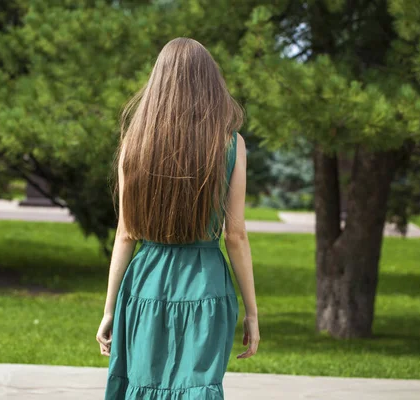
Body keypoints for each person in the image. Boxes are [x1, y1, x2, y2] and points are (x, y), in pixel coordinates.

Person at [97, 37, 259, 400]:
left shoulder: (133, 145)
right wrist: (251, 312)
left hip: (146, 284)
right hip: (205, 283)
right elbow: (235, 235)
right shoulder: (231, 145)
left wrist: (109, 310)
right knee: (196, 389)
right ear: (210, 84)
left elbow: (125, 234)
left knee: (143, 387)